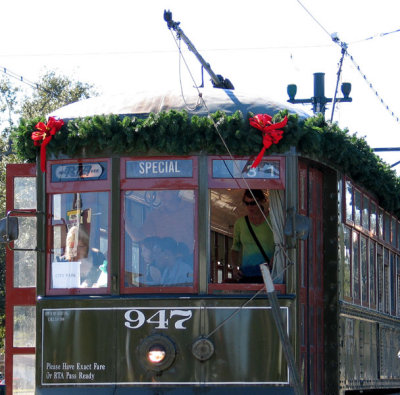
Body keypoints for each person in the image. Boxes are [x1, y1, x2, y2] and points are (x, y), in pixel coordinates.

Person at [231, 189, 274, 283]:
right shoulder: (240, 223)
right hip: (246, 273)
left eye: (253, 203)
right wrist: (234, 267)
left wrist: (275, 258)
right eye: (247, 203)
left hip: (269, 272)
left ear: (262, 201)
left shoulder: (273, 220)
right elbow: (235, 247)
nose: (250, 206)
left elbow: (283, 243)